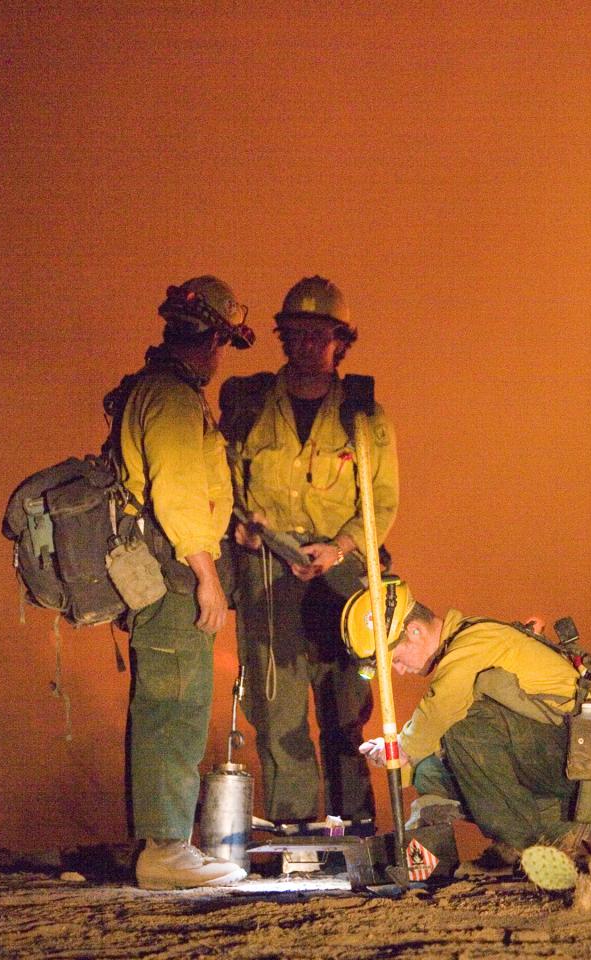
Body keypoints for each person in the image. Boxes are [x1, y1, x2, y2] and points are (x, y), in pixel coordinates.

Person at [219, 276, 398, 849]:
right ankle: (294, 824)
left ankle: (354, 827)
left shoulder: (365, 415)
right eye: (295, 334)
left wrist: (342, 547)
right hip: (268, 565)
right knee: (277, 700)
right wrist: (240, 530)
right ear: (282, 338)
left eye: (320, 336)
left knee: (347, 701)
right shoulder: (248, 406)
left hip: (342, 568)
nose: (306, 346)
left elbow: (384, 500)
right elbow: (220, 482)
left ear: (341, 342)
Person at [106, 275, 255, 889]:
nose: (221, 357)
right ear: (213, 339)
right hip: (171, 574)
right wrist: (206, 575)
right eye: (222, 343)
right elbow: (174, 492)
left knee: (177, 704)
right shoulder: (169, 397)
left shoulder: (165, 391)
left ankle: (166, 843)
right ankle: (165, 851)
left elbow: (194, 488)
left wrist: (234, 533)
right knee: (172, 708)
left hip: (169, 569)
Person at [358, 595, 591, 863]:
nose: (398, 670)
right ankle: (551, 838)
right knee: (428, 773)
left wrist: (402, 748)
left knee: (461, 728)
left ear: (416, 631)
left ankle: (524, 848)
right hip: (550, 757)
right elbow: (436, 728)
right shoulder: (467, 641)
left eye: (396, 659)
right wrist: (402, 758)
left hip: (573, 758)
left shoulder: (473, 642)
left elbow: (442, 706)